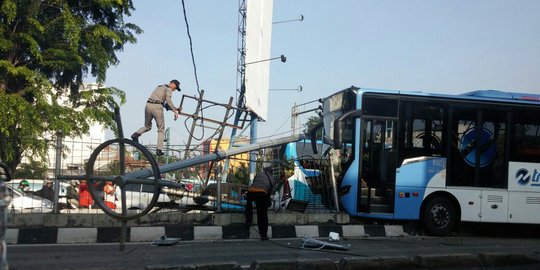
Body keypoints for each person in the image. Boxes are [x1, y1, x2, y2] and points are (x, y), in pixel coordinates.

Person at [131, 79, 181, 156]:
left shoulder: (160, 87)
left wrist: (174, 108)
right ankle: (159, 150)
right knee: (161, 129)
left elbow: (163, 103)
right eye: (175, 87)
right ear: (172, 84)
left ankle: (136, 134)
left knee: (147, 126)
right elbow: (168, 100)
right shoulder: (169, 89)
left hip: (148, 105)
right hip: (157, 108)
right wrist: (175, 112)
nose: (174, 90)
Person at [245, 162, 293, 241]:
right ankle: (263, 235)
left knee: (248, 205)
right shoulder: (272, 180)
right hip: (261, 193)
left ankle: (248, 221)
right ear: (271, 173)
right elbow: (268, 194)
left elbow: (254, 183)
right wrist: (267, 203)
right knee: (262, 215)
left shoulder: (259, 174)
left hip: (251, 191)